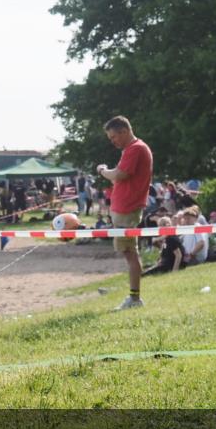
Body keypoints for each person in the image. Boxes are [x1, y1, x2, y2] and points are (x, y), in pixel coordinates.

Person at [96, 116, 153, 311]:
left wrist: (103, 170)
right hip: (123, 208)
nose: (113, 142)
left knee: (130, 253)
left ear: (124, 131)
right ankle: (134, 297)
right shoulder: (132, 149)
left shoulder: (136, 148)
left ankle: (135, 298)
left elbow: (120, 175)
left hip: (127, 209)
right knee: (129, 252)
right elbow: (120, 177)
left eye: (113, 137)